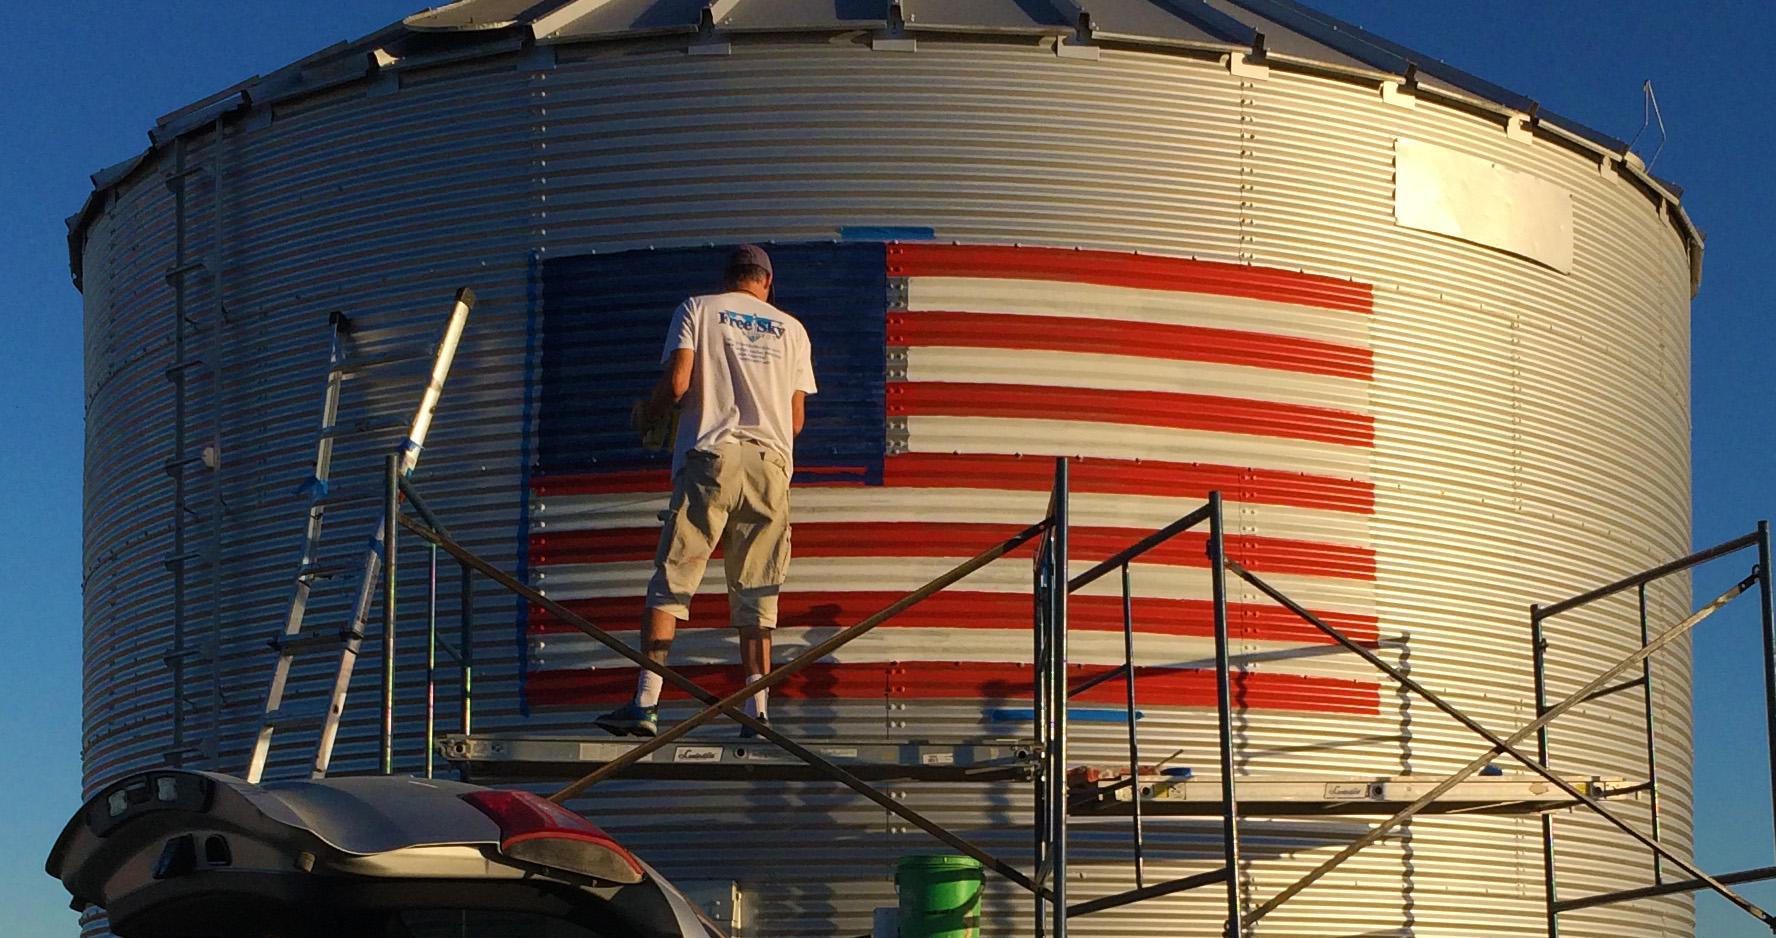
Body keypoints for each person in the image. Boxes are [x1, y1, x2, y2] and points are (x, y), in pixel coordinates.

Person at [595, 245, 817, 738]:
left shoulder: (698, 308)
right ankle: (757, 712)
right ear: (766, 281)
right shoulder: (793, 330)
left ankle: (647, 704)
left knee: (672, 582)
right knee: (757, 593)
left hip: (711, 459)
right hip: (770, 466)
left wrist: (648, 416)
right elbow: (796, 421)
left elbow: (677, 384)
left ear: (729, 278)